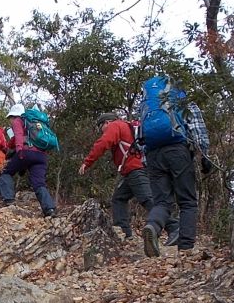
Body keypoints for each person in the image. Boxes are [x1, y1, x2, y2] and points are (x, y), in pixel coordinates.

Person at [79, 112, 178, 241]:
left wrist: (87, 162)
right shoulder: (129, 125)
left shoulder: (115, 126)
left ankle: (174, 227)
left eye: (100, 127)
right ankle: (123, 233)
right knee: (119, 198)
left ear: (107, 122)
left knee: (148, 199)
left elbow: (103, 143)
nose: (101, 131)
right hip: (135, 169)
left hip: (135, 169)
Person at [140, 92, 212, 258]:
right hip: (178, 151)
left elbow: (141, 134)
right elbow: (197, 129)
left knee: (162, 202)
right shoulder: (182, 100)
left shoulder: (147, 104)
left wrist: (146, 162)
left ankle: (153, 226)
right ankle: (185, 248)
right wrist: (205, 156)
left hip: (153, 154)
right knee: (187, 201)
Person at [0, 103, 57, 217]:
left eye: (10, 118)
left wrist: (19, 150)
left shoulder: (18, 120)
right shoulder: (33, 123)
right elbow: (14, 139)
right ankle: (49, 209)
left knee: (5, 172)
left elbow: (19, 136)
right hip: (41, 156)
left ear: (14, 116)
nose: (10, 121)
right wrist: (10, 146)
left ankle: (9, 200)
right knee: (39, 183)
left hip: (26, 152)